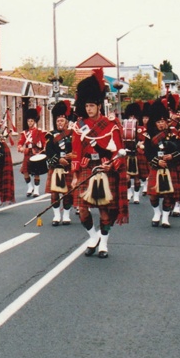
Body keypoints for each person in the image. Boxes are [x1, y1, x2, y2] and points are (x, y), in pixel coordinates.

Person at [70, 69, 127, 258]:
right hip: (87, 169)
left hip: (105, 168)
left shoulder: (111, 125)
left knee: (104, 212)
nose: (89, 109)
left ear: (99, 106)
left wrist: (112, 165)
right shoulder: (79, 126)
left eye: (92, 105)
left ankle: (104, 243)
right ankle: (93, 237)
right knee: (82, 210)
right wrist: (75, 175)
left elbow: (118, 151)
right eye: (86, 106)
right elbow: (76, 151)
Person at [145, 99, 180, 228]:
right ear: (154, 123)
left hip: (170, 166)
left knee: (168, 196)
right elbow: (148, 152)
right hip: (156, 167)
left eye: (163, 121)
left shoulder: (173, 134)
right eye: (158, 122)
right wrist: (157, 161)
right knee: (153, 195)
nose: (161, 124)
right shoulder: (149, 135)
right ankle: (157, 213)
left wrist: (171, 156)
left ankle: (165, 218)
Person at [44, 101, 75, 226]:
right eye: (58, 121)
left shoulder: (73, 135)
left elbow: (77, 151)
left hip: (68, 167)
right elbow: (48, 152)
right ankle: (56, 216)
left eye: (62, 121)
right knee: (54, 194)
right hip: (56, 168)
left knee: (68, 193)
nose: (60, 123)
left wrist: (73, 156)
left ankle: (66, 216)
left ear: (66, 122)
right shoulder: (50, 136)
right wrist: (57, 160)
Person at [18, 106, 46, 197]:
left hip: (36, 153)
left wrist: (42, 151)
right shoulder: (25, 133)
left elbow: (44, 143)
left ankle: (36, 190)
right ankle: (30, 187)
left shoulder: (39, 131)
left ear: (35, 121)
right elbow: (20, 142)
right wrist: (20, 147)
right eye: (28, 121)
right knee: (25, 171)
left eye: (31, 121)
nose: (29, 123)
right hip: (27, 154)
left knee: (36, 173)